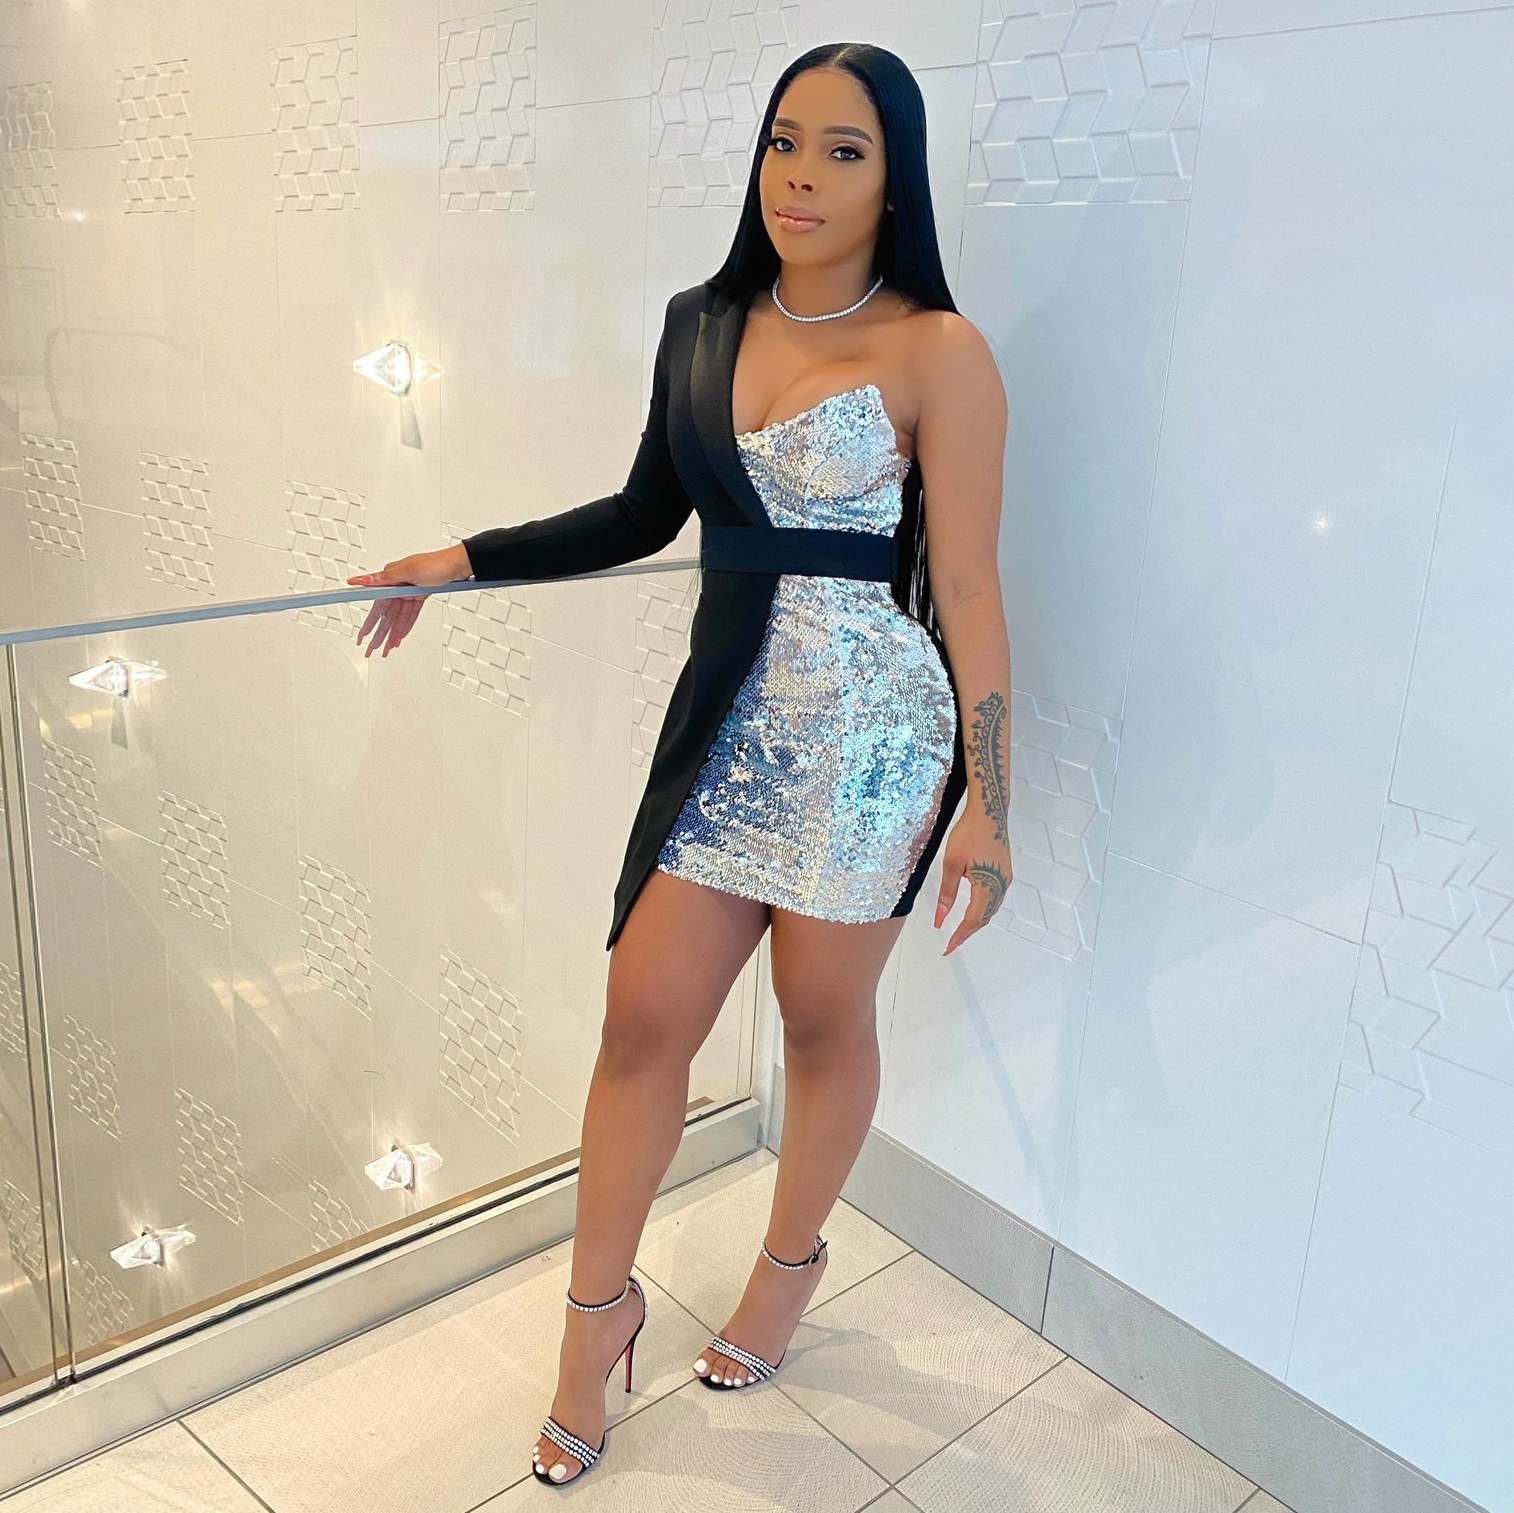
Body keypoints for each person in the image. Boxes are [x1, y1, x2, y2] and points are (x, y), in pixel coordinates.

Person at [347, 41, 1012, 1488]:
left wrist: (987, 796)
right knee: (643, 1018)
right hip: (724, 731)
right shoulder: (699, 323)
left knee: (820, 1020)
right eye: (784, 140)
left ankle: (787, 1266)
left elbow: (964, 582)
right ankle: (597, 1319)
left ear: (893, 179)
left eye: (843, 150)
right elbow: (642, 513)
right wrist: (457, 559)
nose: (801, 175)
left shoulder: (938, 352)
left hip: (873, 738)